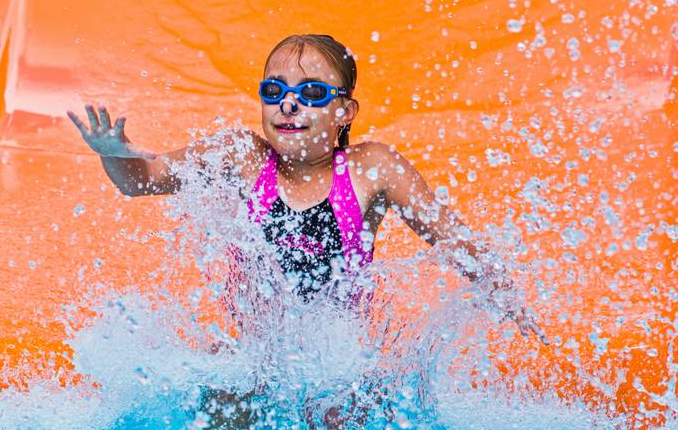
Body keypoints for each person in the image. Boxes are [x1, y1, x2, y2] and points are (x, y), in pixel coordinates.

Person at [68, 33, 546, 426]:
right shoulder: (241, 157)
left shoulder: (372, 170)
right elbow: (140, 183)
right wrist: (114, 150)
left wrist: (502, 293)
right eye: (274, 91)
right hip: (256, 354)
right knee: (220, 407)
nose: (289, 104)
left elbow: (454, 239)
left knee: (345, 413)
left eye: (312, 93)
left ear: (345, 112)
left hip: (335, 361)